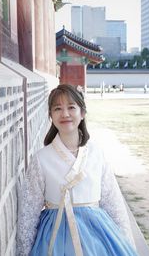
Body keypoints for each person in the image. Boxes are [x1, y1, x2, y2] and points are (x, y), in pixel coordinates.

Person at [17, 84, 138, 256]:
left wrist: (126, 241)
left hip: (97, 233)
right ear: (50, 115)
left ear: (82, 113)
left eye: (71, 107)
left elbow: (113, 203)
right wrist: (23, 251)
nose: (65, 114)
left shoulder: (96, 153)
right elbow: (28, 214)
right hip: (55, 234)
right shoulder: (41, 159)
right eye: (57, 108)